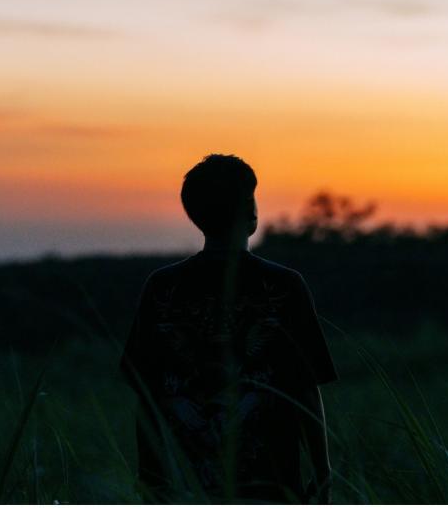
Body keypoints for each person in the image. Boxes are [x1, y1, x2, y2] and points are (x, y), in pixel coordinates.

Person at [120, 154, 338, 504]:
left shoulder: (162, 287)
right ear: (249, 212)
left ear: (195, 215)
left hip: (183, 485)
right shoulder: (285, 285)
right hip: (271, 487)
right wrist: (323, 470)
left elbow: (146, 397)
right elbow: (306, 390)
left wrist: (150, 479)